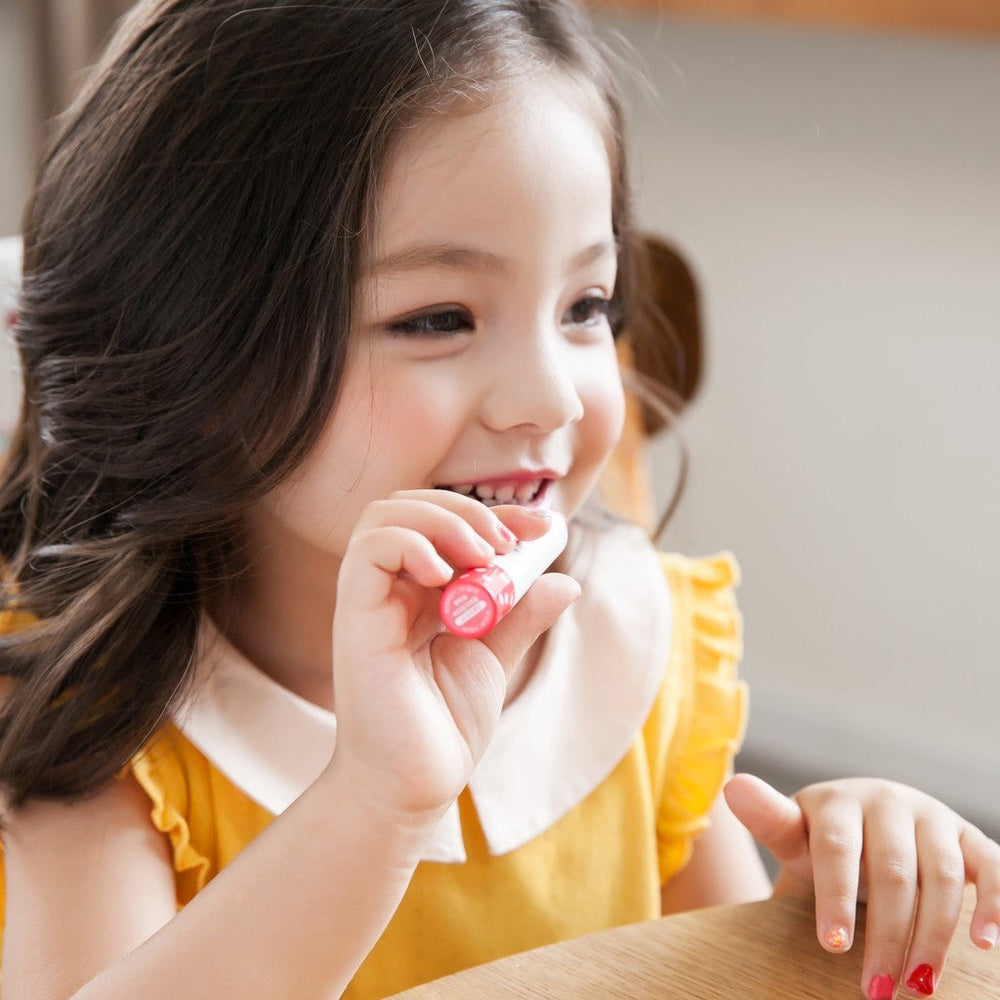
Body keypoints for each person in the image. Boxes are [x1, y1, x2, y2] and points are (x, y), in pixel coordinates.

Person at [0, 2, 997, 998]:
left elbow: (708, 976)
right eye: (438, 317)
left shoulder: (629, 645)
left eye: (585, 308)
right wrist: (375, 801)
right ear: (187, 357)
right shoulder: (87, 711)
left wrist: (839, 892)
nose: (551, 399)